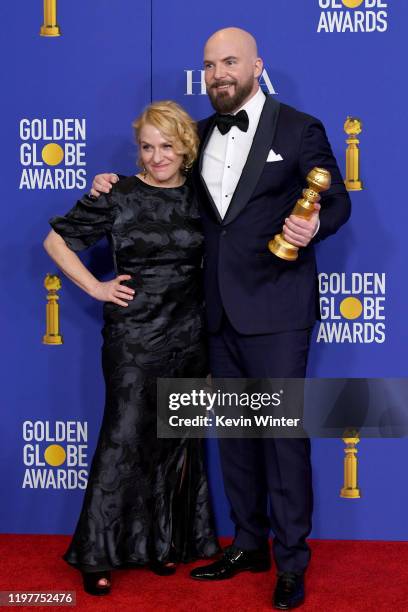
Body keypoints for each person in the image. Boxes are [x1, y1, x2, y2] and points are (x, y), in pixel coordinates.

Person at [90, 27, 351, 609]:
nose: (218, 74)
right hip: (213, 311)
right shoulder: (199, 134)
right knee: (234, 436)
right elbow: (162, 187)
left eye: (229, 62)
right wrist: (111, 186)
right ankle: (249, 543)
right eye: (209, 66)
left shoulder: (298, 127)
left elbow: (336, 199)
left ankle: (290, 562)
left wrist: (314, 227)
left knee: (281, 438)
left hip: (278, 308)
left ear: (258, 65)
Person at [43, 100, 220, 596]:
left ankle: (161, 545)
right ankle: (97, 553)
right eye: (147, 147)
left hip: (189, 335)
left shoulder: (202, 197)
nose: (156, 157)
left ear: (186, 147)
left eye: (166, 146)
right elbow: (56, 242)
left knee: (174, 440)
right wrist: (97, 288)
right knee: (124, 438)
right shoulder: (117, 192)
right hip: (134, 337)